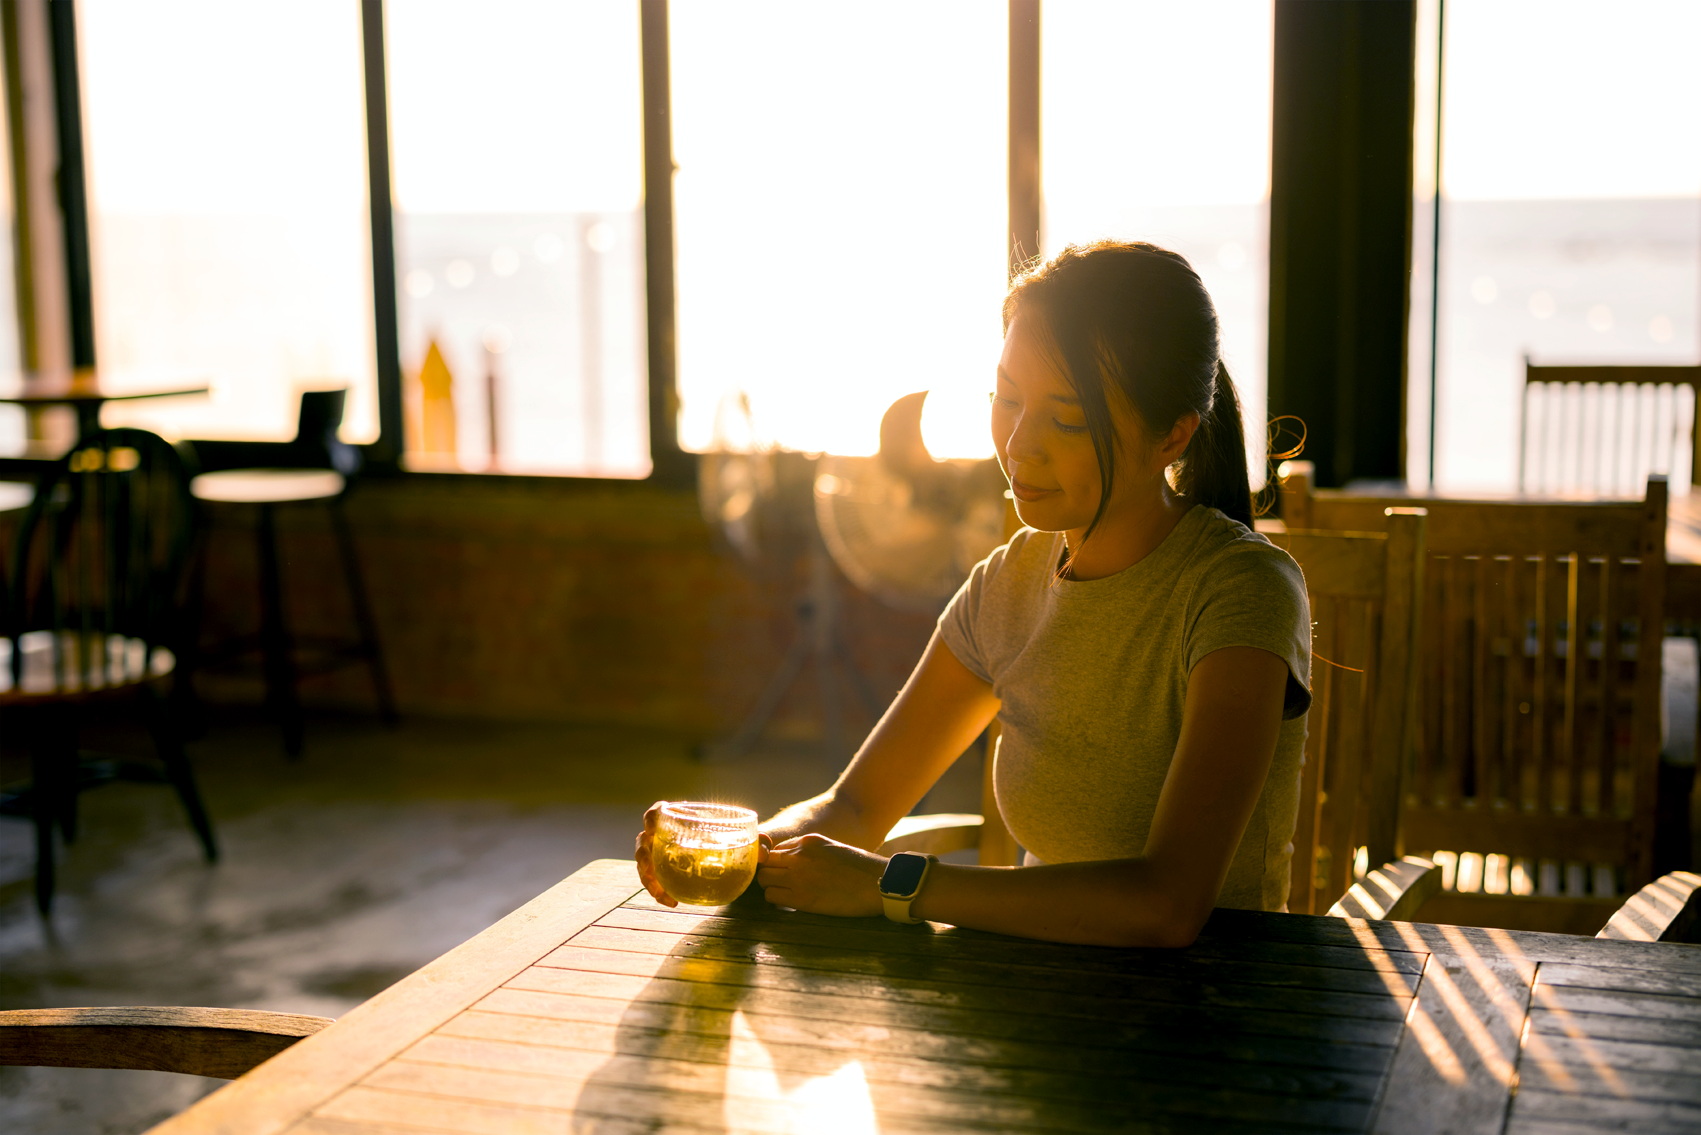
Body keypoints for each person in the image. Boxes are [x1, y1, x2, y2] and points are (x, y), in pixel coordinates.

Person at [637, 240, 1311, 948]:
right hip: (1040, 998)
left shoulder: (1240, 591)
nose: (1019, 444)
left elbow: (1164, 904)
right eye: (1008, 398)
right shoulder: (1009, 582)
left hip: (1221, 1013)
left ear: (1170, 436)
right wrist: (736, 852)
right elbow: (859, 803)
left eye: (1068, 418)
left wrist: (889, 885)